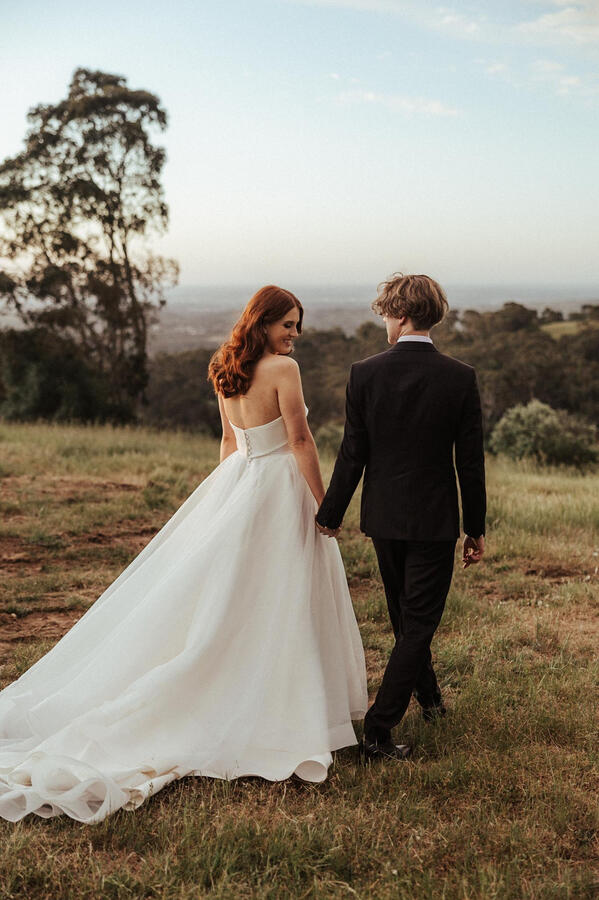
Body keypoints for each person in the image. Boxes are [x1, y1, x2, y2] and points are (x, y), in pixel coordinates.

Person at [0, 285, 367, 824]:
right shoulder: (284, 372)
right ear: (262, 322)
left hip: (239, 483)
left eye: (297, 326)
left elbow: (228, 442)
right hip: (278, 489)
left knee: (240, 595)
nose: (294, 335)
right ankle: (277, 702)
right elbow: (300, 441)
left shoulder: (226, 363)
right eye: (287, 324)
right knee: (279, 593)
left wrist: (222, 501)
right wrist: (324, 505)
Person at [316, 273, 486, 762]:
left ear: (403, 314)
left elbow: (353, 454)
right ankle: (378, 729)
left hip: (384, 517)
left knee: (408, 622)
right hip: (434, 521)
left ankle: (429, 703)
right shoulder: (460, 376)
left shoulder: (364, 373)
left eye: (387, 314)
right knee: (416, 625)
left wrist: (331, 513)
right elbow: (469, 464)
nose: (385, 322)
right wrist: (474, 527)